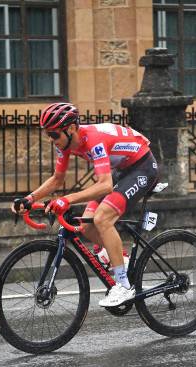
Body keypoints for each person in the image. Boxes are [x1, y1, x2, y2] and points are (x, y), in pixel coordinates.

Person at [12, 102, 159, 307]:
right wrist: (30, 199)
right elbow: (57, 179)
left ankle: (124, 286)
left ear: (71, 128)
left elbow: (105, 185)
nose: (51, 140)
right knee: (87, 226)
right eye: (48, 135)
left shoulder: (94, 140)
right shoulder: (64, 144)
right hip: (123, 170)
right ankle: (121, 261)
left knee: (102, 218)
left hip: (142, 167)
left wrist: (67, 199)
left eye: (54, 134)